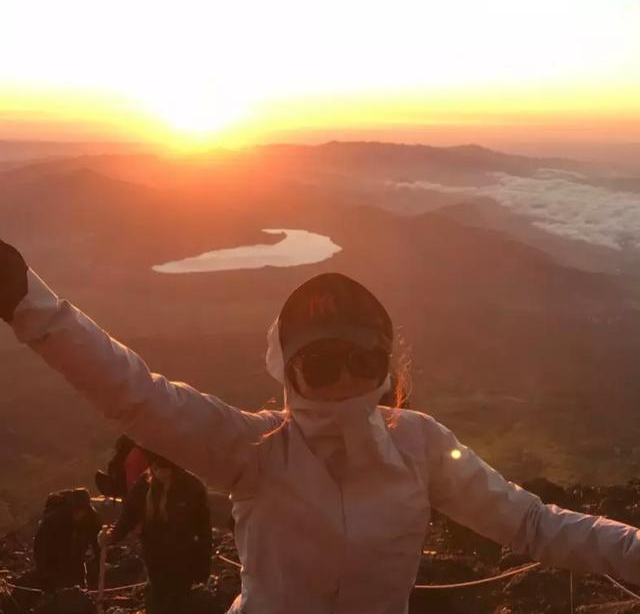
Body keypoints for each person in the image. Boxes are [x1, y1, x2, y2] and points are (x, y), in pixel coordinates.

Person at [3, 238, 640, 614]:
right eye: (321, 362)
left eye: (361, 361)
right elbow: (135, 394)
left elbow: (530, 524)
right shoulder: (249, 448)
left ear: (385, 368)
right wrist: (26, 301)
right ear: (288, 368)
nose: (342, 380)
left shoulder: (418, 443)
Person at [99, 452, 212, 614]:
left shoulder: (192, 487)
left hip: (184, 557)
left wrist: (203, 568)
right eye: (157, 469)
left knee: (177, 601)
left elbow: (204, 532)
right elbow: (129, 516)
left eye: (166, 470)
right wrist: (112, 536)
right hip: (154, 555)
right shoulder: (144, 485)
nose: (162, 474)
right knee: (157, 598)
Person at [33, 488, 101, 592]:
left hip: (78, 557)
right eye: (76, 510)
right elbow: (40, 544)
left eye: (82, 511)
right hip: (55, 558)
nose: (79, 514)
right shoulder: (54, 519)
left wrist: (100, 564)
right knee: (58, 588)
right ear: (71, 507)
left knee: (80, 587)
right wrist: (42, 571)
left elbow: (97, 543)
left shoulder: (92, 519)